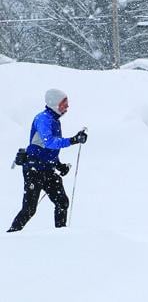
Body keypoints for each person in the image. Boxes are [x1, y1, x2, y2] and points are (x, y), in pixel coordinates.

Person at [7, 89, 88, 232]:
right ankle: (11, 237)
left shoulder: (55, 121)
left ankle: (60, 235)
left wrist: (59, 165)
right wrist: (73, 140)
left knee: (62, 202)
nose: (67, 107)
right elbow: (48, 142)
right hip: (34, 170)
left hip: (47, 169)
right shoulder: (43, 119)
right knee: (29, 209)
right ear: (54, 103)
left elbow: (49, 151)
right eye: (64, 104)